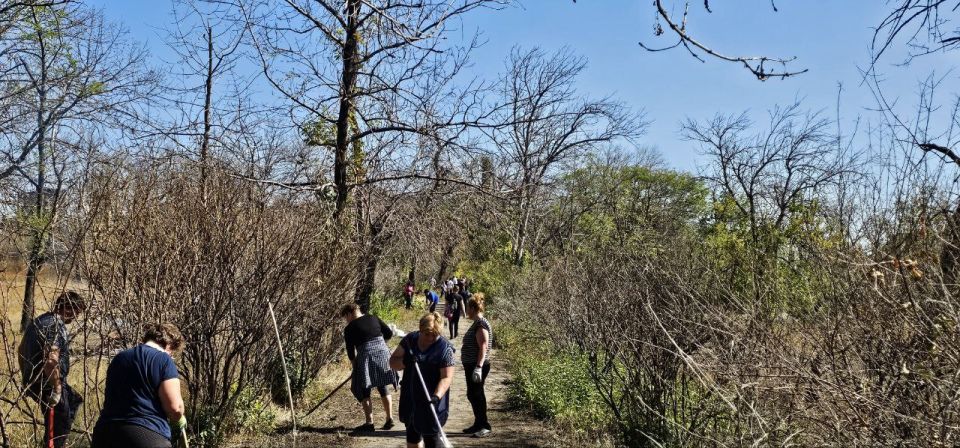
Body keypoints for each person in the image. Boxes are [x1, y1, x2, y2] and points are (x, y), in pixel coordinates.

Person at [91, 324, 187, 448]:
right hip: (145, 434)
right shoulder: (163, 359)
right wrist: (178, 419)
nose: (171, 356)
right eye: (172, 352)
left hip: (105, 434)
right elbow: (174, 407)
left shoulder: (119, 358)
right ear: (169, 345)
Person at [18, 291, 86, 448]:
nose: (76, 318)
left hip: (39, 381)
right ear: (69, 308)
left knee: (74, 399)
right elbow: (51, 360)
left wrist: (26, 377)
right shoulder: (55, 325)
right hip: (47, 385)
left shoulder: (39, 321)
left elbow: (21, 350)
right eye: (77, 313)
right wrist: (56, 389)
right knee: (57, 430)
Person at [390, 312, 455, 448]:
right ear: (420, 329)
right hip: (411, 399)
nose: (431, 338)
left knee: (432, 440)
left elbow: (446, 377)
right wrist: (405, 362)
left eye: (435, 335)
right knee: (413, 438)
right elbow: (392, 363)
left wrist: (436, 396)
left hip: (431, 400)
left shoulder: (445, 348)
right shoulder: (409, 341)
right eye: (427, 334)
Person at [341, 303, 397, 431]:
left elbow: (350, 352)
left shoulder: (349, 328)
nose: (346, 320)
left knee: (363, 389)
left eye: (346, 317)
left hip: (365, 358)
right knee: (383, 386)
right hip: (383, 354)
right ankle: (389, 419)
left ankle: (369, 423)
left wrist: (355, 367)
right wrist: (380, 345)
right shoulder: (373, 317)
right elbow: (388, 333)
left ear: (349, 313)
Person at [460, 294, 493, 437]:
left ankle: (484, 426)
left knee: (477, 394)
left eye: (468, 307)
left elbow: (483, 346)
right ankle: (478, 423)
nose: (466, 310)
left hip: (477, 365)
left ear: (473, 308)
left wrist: (478, 367)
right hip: (472, 365)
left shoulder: (480, 324)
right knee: (473, 394)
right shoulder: (477, 323)